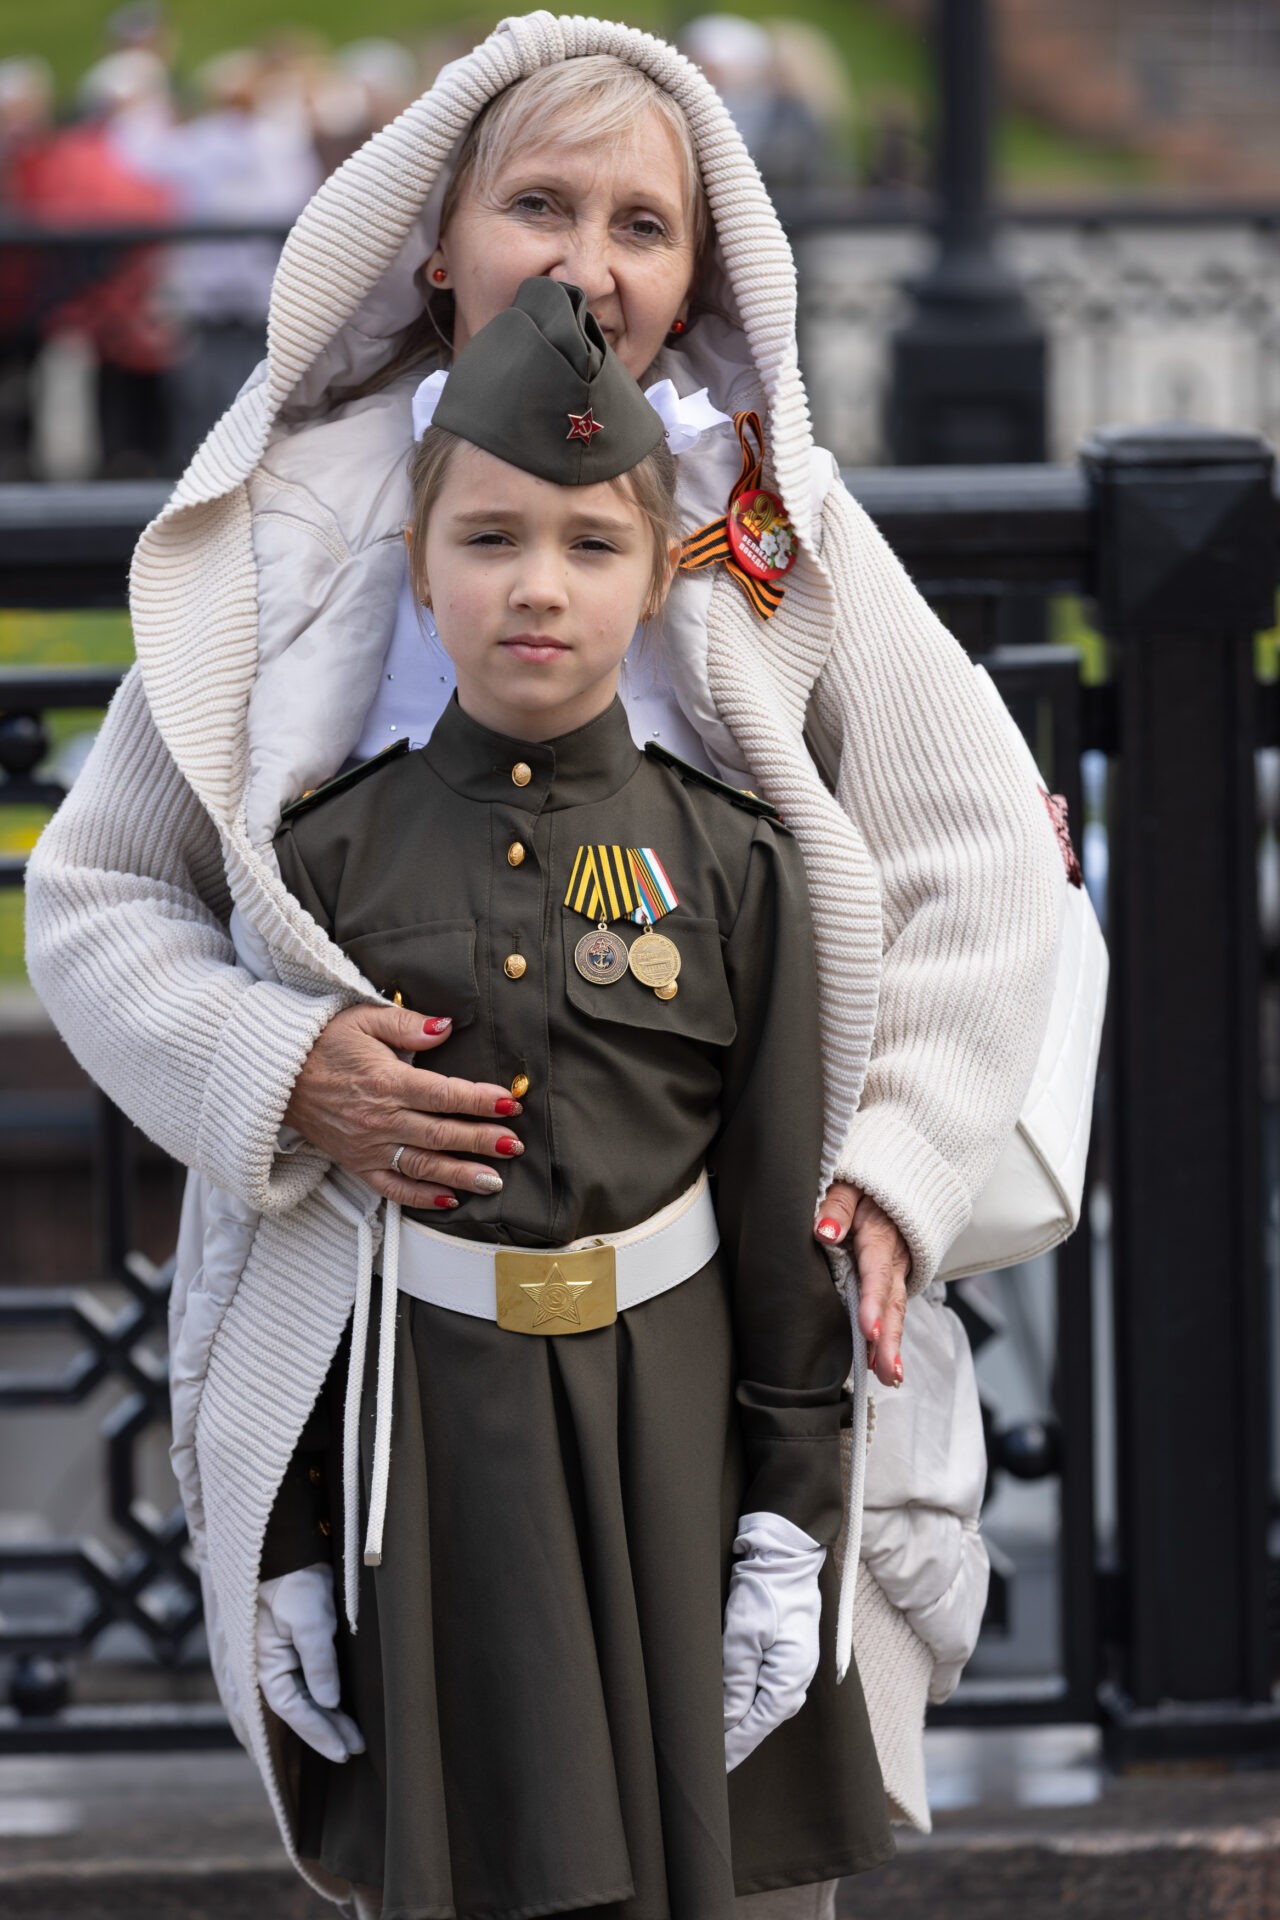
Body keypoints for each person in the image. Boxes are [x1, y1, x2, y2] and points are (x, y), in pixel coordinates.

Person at [23, 13, 1067, 1914]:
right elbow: (98, 896)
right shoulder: (301, 526)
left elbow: (979, 849)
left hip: (725, 1317)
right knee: (454, 1821)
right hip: (397, 1342)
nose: (590, 263)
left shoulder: (761, 524)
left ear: (704, 266)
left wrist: (899, 1163)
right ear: (437, 238)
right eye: (541, 207)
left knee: (742, 1825)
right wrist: (280, 1067)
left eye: (642, 224)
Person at [258, 271, 894, 1918]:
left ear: (658, 572)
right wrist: (286, 1545)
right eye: (489, 539)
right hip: (428, 1438)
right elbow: (281, 1253)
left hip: (671, 1423)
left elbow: (782, 1214)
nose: (537, 585)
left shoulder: (731, 864)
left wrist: (792, 1519)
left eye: (592, 544)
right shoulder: (327, 863)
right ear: (419, 566)